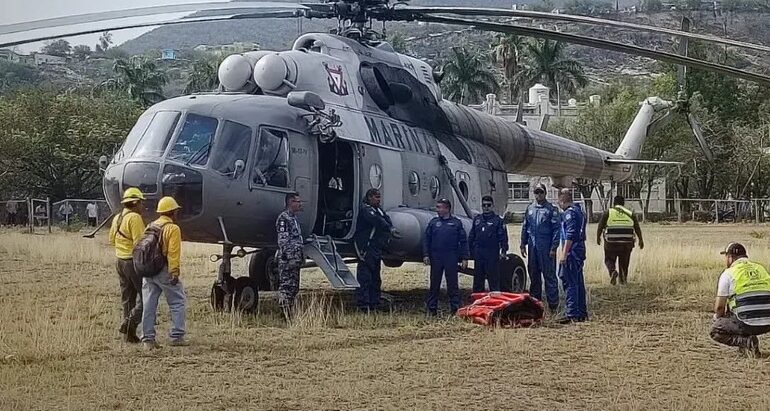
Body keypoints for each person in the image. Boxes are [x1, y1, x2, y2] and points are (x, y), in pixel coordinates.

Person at [141, 196, 187, 349]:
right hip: (163, 269)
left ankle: (148, 338)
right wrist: (174, 272)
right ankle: (177, 335)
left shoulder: (150, 226)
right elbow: (173, 252)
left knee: (149, 303)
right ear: (173, 212)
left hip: (148, 270)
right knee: (177, 301)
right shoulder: (172, 229)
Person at [710, 243, 770, 357]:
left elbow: (719, 307)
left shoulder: (728, 274)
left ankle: (746, 342)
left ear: (730, 257)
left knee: (715, 331)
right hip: (768, 322)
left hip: (746, 322)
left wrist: (717, 318)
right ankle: (748, 343)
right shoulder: (761, 268)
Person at [108, 188, 146, 343]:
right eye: (141, 202)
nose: (142, 206)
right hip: (132, 262)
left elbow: (111, 240)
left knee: (127, 298)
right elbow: (140, 243)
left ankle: (128, 335)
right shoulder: (135, 218)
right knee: (146, 297)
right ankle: (129, 322)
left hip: (120, 261)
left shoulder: (118, 217)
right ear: (135, 202)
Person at [354, 188, 401, 312]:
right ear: (369, 198)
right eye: (376, 197)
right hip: (367, 248)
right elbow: (377, 221)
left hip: (376, 248)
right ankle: (363, 304)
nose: (378, 200)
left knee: (375, 278)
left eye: (379, 197)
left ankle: (374, 303)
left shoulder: (379, 210)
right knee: (365, 278)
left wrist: (390, 227)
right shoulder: (367, 210)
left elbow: (386, 219)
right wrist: (389, 229)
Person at [423, 198, 469, 316]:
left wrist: (464, 258)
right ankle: (432, 308)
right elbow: (426, 240)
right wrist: (426, 254)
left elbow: (463, 241)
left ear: (447, 209)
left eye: (440, 207)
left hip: (451, 256)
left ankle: (455, 308)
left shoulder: (456, 223)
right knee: (434, 284)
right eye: (437, 207)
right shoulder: (433, 223)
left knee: (452, 284)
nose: (437, 209)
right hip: (436, 257)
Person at [520, 183, 560, 311]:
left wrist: (554, 247)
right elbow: (525, 227)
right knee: (534, 274)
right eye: (536, 192)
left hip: (546, 247)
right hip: (533, 247)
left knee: (549, 276)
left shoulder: (551, 210)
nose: (538, 195)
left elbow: (556, 230)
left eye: (541, 192)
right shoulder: (530, 209)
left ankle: (553, 305)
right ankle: (535, 304)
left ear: (545, 193)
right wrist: (522, 243)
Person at [596, 195, 644, 285]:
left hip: (611, 243)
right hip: (627, 243)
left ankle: (612, 271)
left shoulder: (608, 212)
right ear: (623, 203)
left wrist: (598, 237)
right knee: (624, 262)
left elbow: (600, 226)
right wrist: (641, 240)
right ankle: (623, 280)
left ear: (614, 203)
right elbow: (637, 228)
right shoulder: (630, 213)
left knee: (609, 259)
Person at [557, 189, 588, 324]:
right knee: (578, 281)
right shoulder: (580, 211)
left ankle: (571, 313)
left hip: (572, 250)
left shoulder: (569, 214)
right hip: (580, 248)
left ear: (562, 200)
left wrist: (564, 253)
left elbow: (570, 234)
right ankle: (581, 312)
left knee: (569, 281)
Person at [468, 195, 509, 293]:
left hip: (492, 253)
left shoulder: (498, 220)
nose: (486, 207)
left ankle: (495, 303)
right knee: (478, 279)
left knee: (493, 280)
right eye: (484, 205)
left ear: (492, 206)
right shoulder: (477, 220)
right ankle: (478, 303)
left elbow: (503, 237)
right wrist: (469, 250)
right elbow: (471, 236)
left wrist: (503, 251)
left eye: (488, 205)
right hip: (479, 253)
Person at [276, 192, 304, 321]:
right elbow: (283, 240)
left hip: (295, 258)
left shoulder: (294, 219)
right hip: (288, 259)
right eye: (297, 202)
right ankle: (284, 313)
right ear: (290, 202)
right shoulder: (284, 218)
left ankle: (289, 311)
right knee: (286, 286)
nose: (300, 204)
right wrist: (289, 257)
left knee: (294, 287)